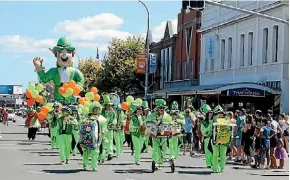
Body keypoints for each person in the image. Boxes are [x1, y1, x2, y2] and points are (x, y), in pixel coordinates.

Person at [146, 99, 173, 170]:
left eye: (163, 107)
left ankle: (160, 162)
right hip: (155, 135)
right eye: (161, 107)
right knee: (155, 148)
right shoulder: (152, 116)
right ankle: (155, 161)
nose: (162, 109)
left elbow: (171, 124)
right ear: (157, 108)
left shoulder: (167, 116)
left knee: (164, 148)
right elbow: (147, 123)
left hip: (164, 135)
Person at [79, 102, 106, 171]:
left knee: (95, 152)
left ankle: (94, 166)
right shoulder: (86, 117)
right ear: (92, 109)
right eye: (95, 109)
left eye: (98, 109)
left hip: (97, 138)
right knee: (86, 152)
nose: (96, 110)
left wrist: (103, 136)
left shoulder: (101, 118)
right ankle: (85, 164)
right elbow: (82, 126)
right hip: (86, 138)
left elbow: (104, 128)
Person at [211, 105, 232, 173]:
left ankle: (222, 168)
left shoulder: (227, 120)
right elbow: (212, 128)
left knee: (223, 155)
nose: (220, 114)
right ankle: (215, 168)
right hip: (215, 139)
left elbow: (230, 129)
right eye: (218, 113)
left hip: (224, 140)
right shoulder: (214, 119)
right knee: (215, 154)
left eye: (221, 113)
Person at [101, 95, 117, 161]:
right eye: (108, 105)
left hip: (110, 128)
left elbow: (115, 118)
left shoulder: (113, 112)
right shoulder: (101, 111)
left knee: (110, 141)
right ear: (105, 105)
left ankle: (110, 153)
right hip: (103, 129)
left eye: (110, 105)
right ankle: (102, 156)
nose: (109, 106)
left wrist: (113, 123)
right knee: (103, 142)